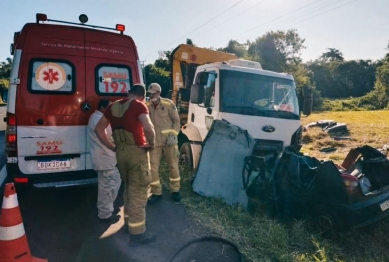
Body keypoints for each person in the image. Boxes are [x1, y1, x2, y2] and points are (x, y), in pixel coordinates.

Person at [94, 84, 156, 244]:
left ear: (128, 93)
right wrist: (151, 144)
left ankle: (129, 224)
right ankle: (137, 234)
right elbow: (149, 129)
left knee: (129, 189)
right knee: (139, 193)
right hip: (137, 153)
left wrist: (112, 147)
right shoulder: (139, 105)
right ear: (142, 96)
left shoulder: (112, 106)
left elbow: (98, 129)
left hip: (120, 154)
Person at [146, 83, 181, 204]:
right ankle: (156, 193)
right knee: (153, 168)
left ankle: (175, 191)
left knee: (173, 166)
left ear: (159, 92)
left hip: (169, 141)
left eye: (153, 93)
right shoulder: (147, 106)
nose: (151, 96)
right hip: (154, 142)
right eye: (150, 94)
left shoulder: (169, 104)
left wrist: (173, 135)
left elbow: (177, 122)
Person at [87, 99, 121, 223]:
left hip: (107, 158)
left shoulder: (97, 117)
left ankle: (109, 207)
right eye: (109, 108)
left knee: (115, 181)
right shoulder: (98, 118)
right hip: (104, 157)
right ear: (102, 108)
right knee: (107, 187)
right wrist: (113, 147)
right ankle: (105, 214)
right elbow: (105, 135)